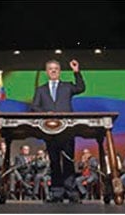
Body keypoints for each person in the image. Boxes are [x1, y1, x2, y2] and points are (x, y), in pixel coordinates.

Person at [31, 59, 85, 202]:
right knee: (54, 163)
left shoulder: (67, 86)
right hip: (49, 131)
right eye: (50, 69)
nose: (53, 71)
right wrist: (45, 113)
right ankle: (57, 193)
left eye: (56, 68)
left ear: (59, 71)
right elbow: (35, 107)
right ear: (47, 72)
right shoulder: (40, 90)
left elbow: (81, 88)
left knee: (68, 162)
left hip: (67, 130)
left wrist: (76, 71)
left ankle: (71, 192)